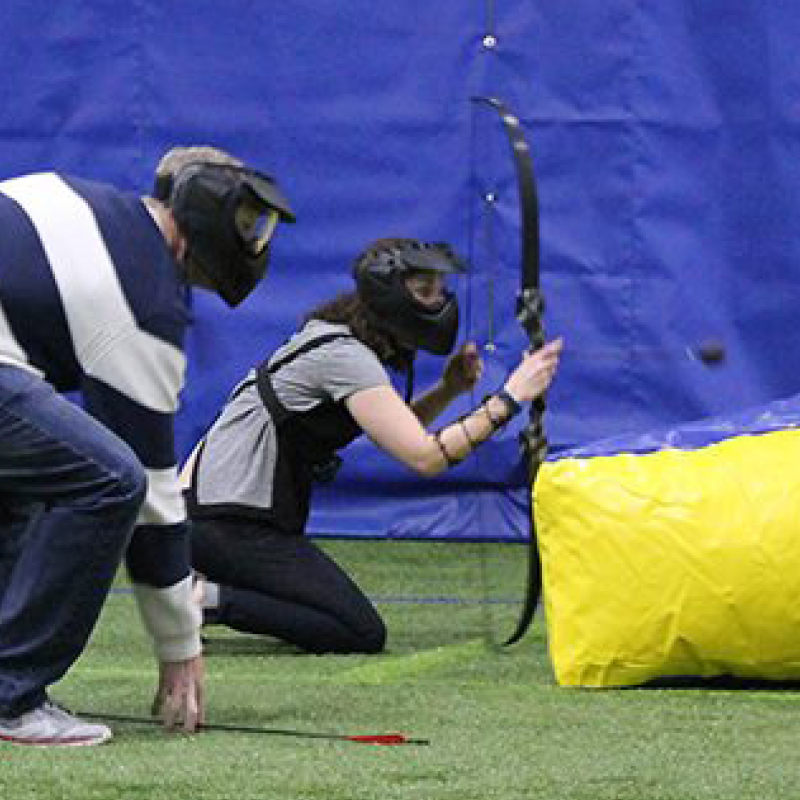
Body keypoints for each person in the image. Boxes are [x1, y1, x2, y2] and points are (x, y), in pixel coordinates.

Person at [0, 145, 295, 746]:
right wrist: (180, 648)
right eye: (248, 223)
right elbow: (154, 499)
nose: (255, 239)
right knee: (112, 480)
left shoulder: (81, 198)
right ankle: (10, 695)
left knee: (30, 484)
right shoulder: (145, 295)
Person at [186, 237, 562, 654]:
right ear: (390, 295)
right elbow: (425, 457)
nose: (438, 303)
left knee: (338, 619)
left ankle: (204, 589)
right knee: (359, 632)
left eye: (440, 290)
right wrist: (509, 399)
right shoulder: (344, 357)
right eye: (424, 291)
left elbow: (399, 432)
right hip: (224, 523)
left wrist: (451, 389)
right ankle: (202, 600)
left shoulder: (338, 344)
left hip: (214, 519)